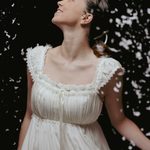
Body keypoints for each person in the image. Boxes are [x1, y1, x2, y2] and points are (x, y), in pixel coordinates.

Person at [17, 0, 150, 149]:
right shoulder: (37, 59)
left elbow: (120, 121)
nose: (60, 1)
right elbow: (29, 116)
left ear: (86, 17)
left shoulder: (107, 71)